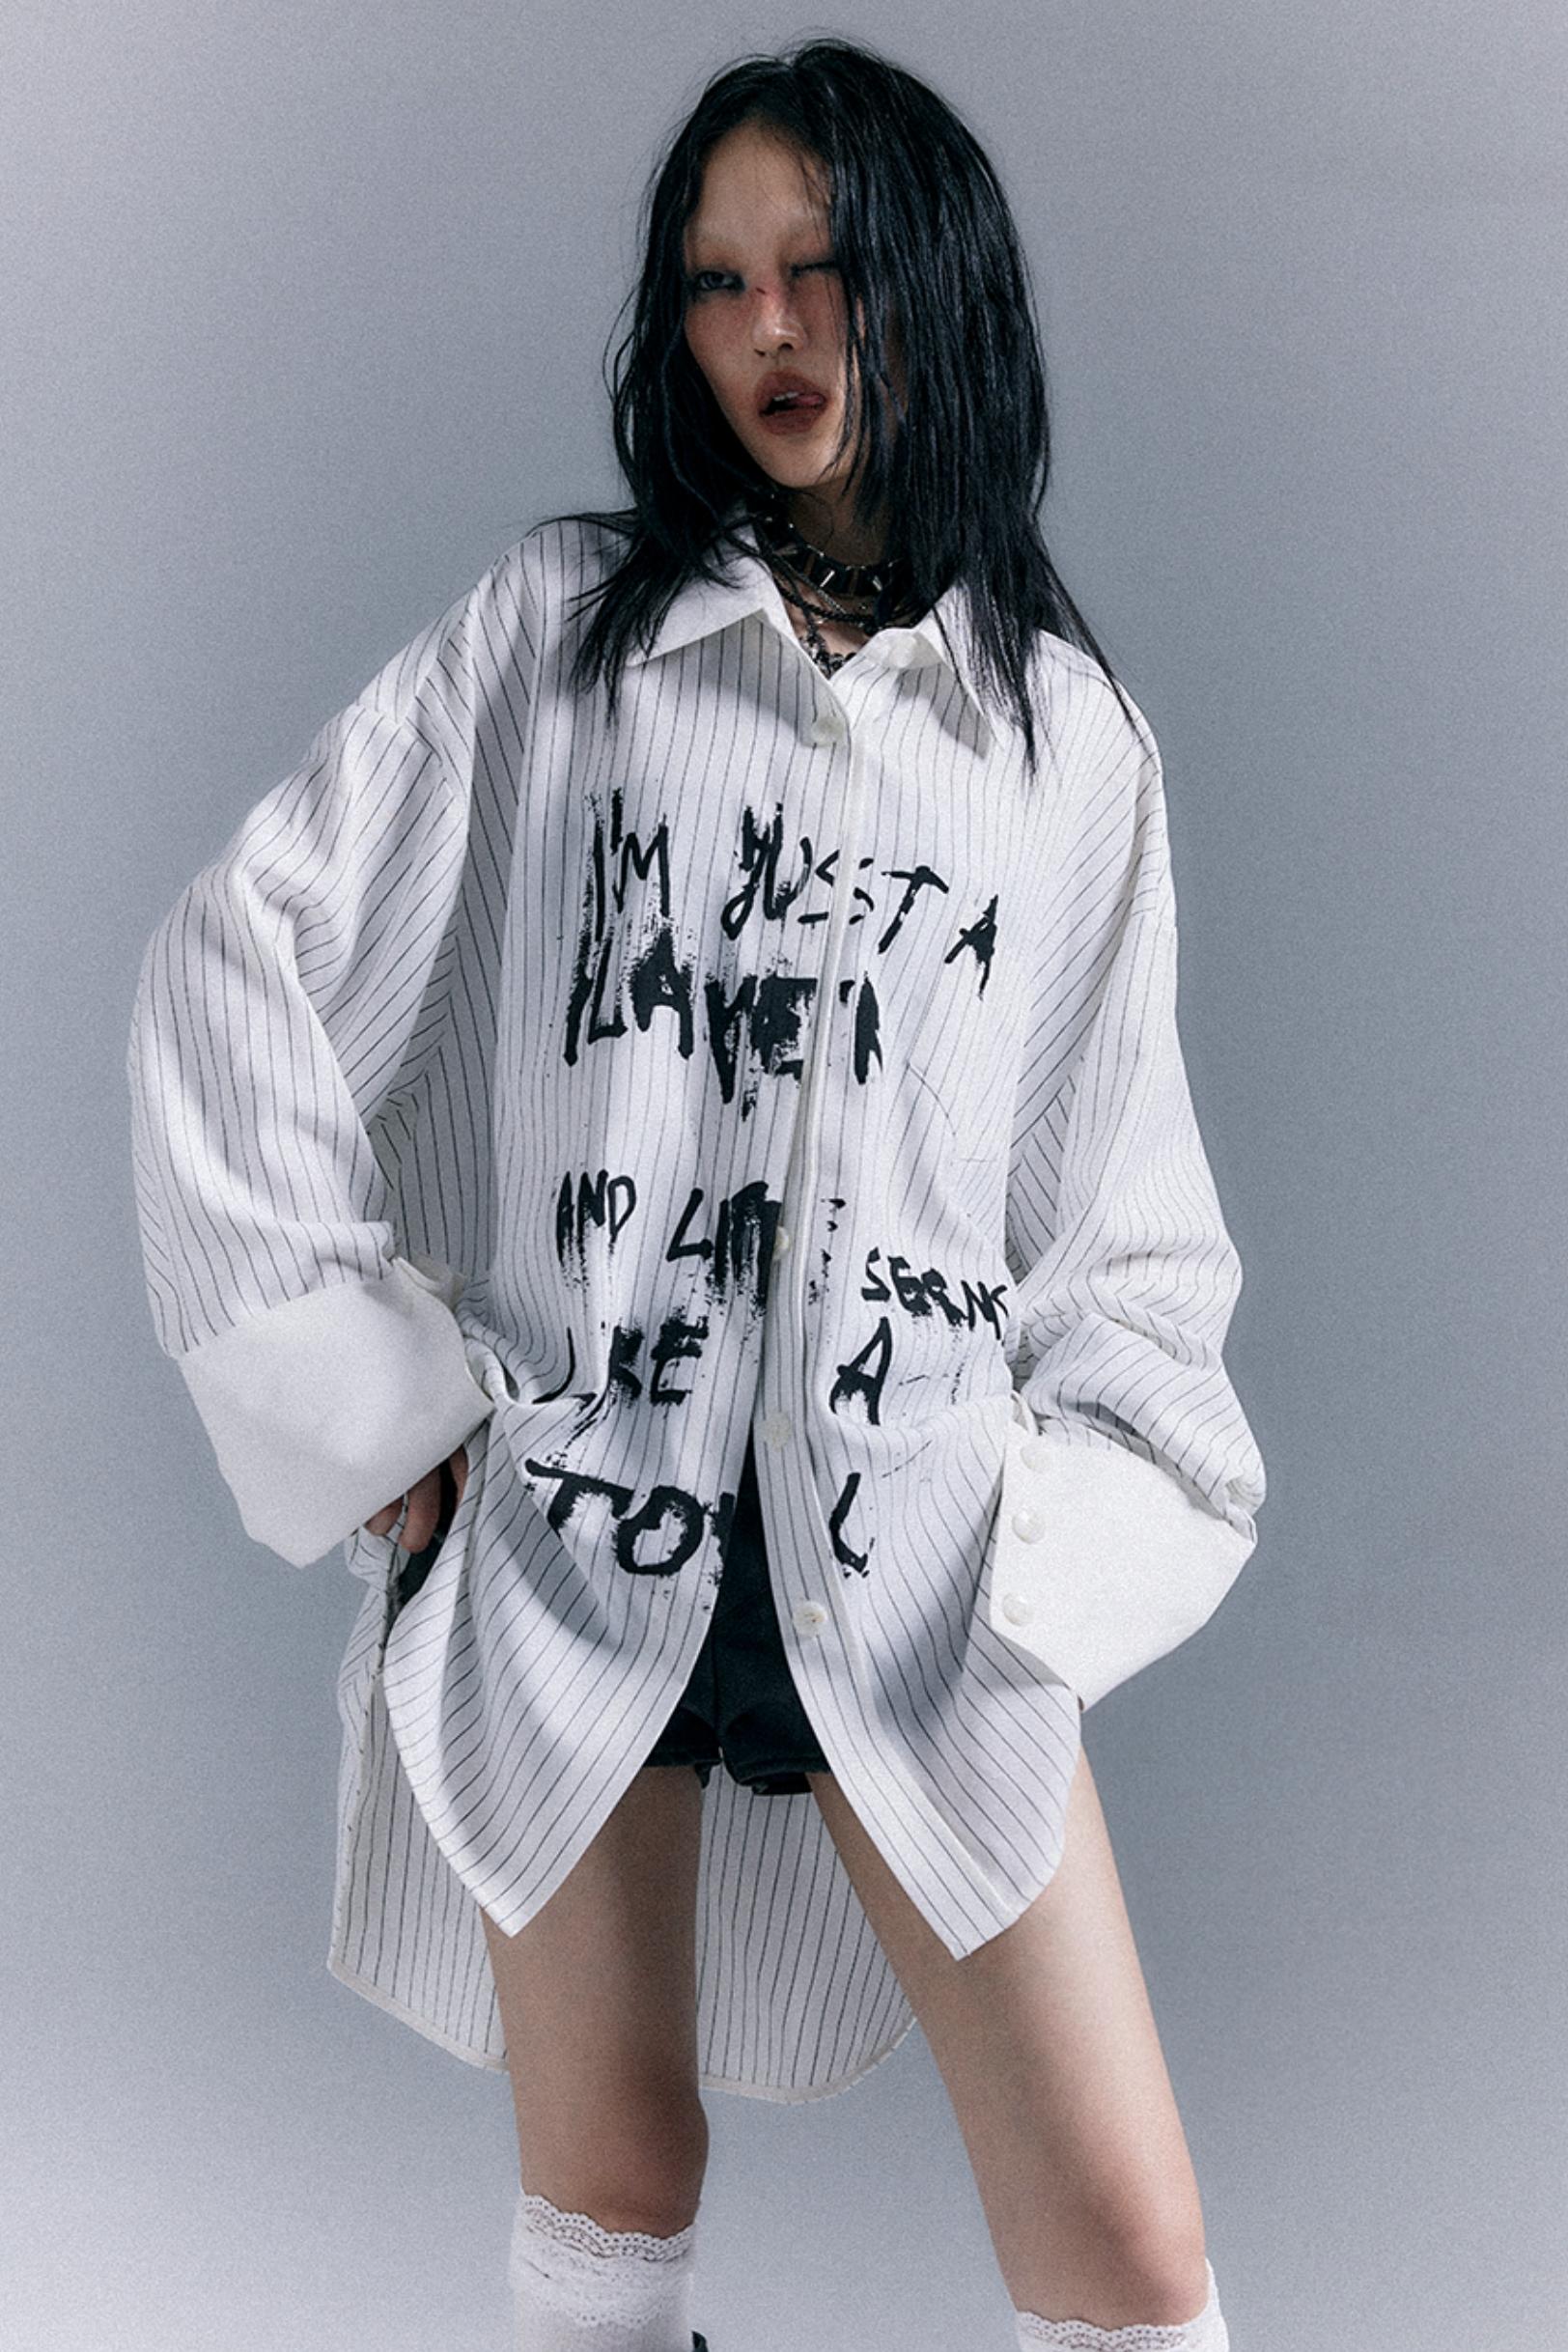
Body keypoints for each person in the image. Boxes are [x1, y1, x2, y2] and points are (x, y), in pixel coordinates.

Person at [126, 36, 1266, 2352]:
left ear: (932, 287)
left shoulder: (1063, 747)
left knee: (1129, 2258)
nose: (766, 328)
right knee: (613, 2193)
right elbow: (237, 961)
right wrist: (375, 1405)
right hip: (578, 1534)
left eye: (817, 270)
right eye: (715, 282)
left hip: (909, 1568)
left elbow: (1125, 1227)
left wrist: (1041, 1542)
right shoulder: (559, 642)